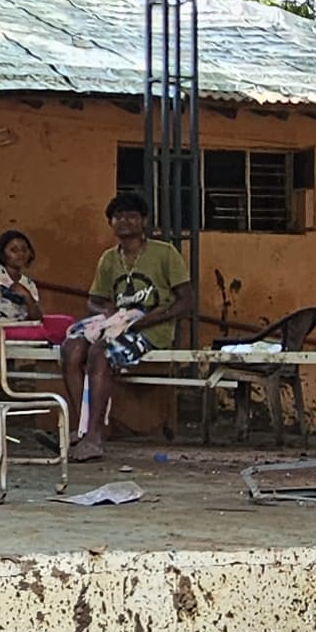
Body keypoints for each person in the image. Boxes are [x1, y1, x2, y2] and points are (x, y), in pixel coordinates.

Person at [58, 192, 196, 462]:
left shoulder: (165, 253)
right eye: (118, 217)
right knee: (70, 348)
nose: (124, 221)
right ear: (110, 222)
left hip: (152, 329)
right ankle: (80, 428)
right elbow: (94, 300)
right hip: (117, 324)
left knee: (99, 353)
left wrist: (146, 320)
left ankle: (95, 437)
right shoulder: (109, 259)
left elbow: (186, 301)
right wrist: (108, 314)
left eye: (132, 216)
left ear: (144, 221)